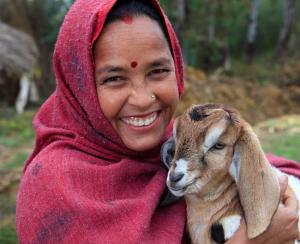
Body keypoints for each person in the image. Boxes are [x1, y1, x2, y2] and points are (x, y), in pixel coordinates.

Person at [16, 0, 300, 243]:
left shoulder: (175, 145)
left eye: (158, 71)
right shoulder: (54, 188)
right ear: (80, 87)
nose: (142, 99)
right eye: (114, 78)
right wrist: (254, 239)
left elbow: (263, 166)